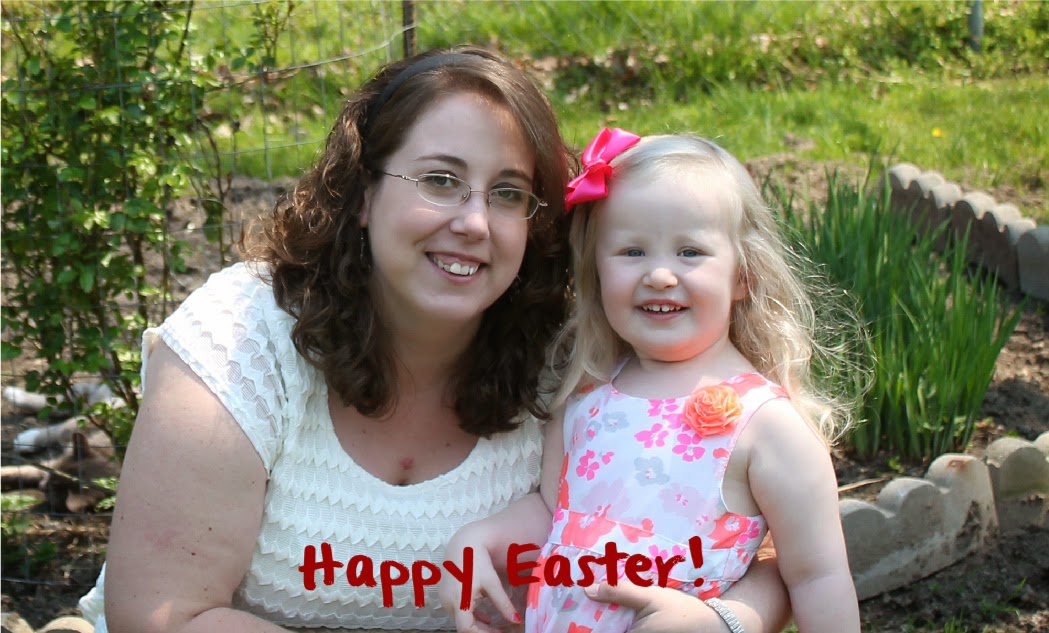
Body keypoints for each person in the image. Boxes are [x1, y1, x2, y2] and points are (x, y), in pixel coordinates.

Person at [77, 48, 791, 633]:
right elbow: (161, 614)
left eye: (507, 193)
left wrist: (726, 621)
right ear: (363, 194)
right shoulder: (246, 336)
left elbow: (757, 545)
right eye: (441, 180)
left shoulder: (577, 366)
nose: (473, 222)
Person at [441, 129, 859, 633]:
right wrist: (482, 539)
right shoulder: (587, 396)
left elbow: (817, 578)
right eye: (632, 252)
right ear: (596, 273)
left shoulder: (766, 427)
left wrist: (721, 624)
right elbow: (556, 514)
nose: (660, 275)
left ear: (743, 275)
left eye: (690, 252)